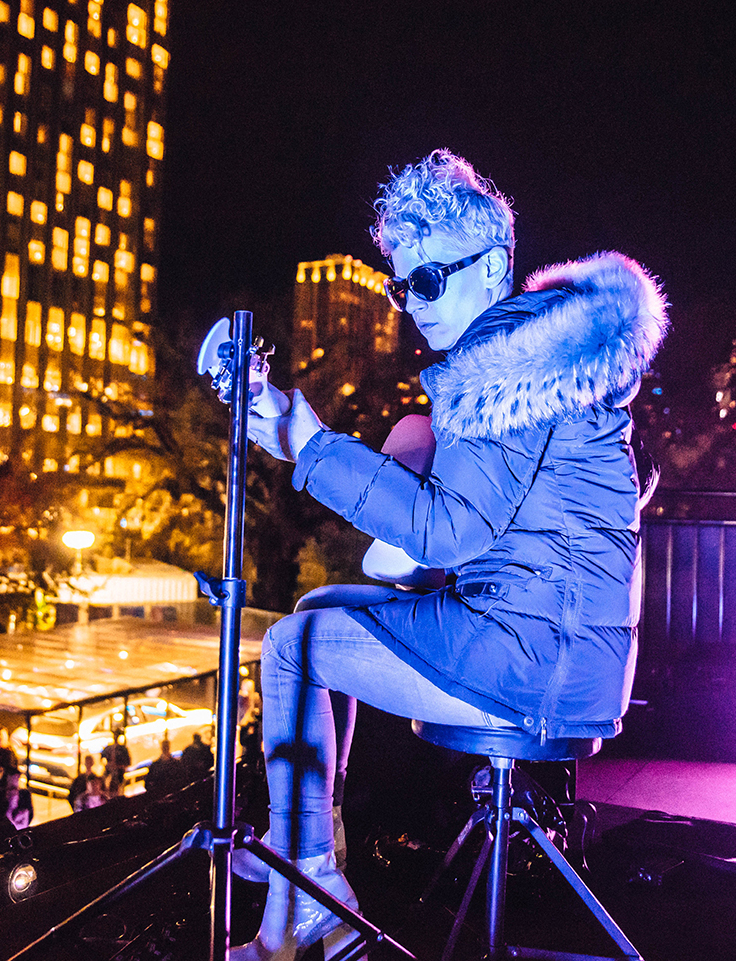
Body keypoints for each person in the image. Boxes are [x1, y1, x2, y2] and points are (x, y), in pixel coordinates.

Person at [231, 150, 666, 959]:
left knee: (290, 651)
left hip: (536, 657)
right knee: (315, 612)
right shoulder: (537, 348)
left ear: (494, 265)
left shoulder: (507, 356)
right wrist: (305, 441)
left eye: (430, 280)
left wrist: (310, 445)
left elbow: (447, 531)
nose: (411, 304)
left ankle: (309, 888)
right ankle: (307, 857)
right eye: (402, 285)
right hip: (553, 642)